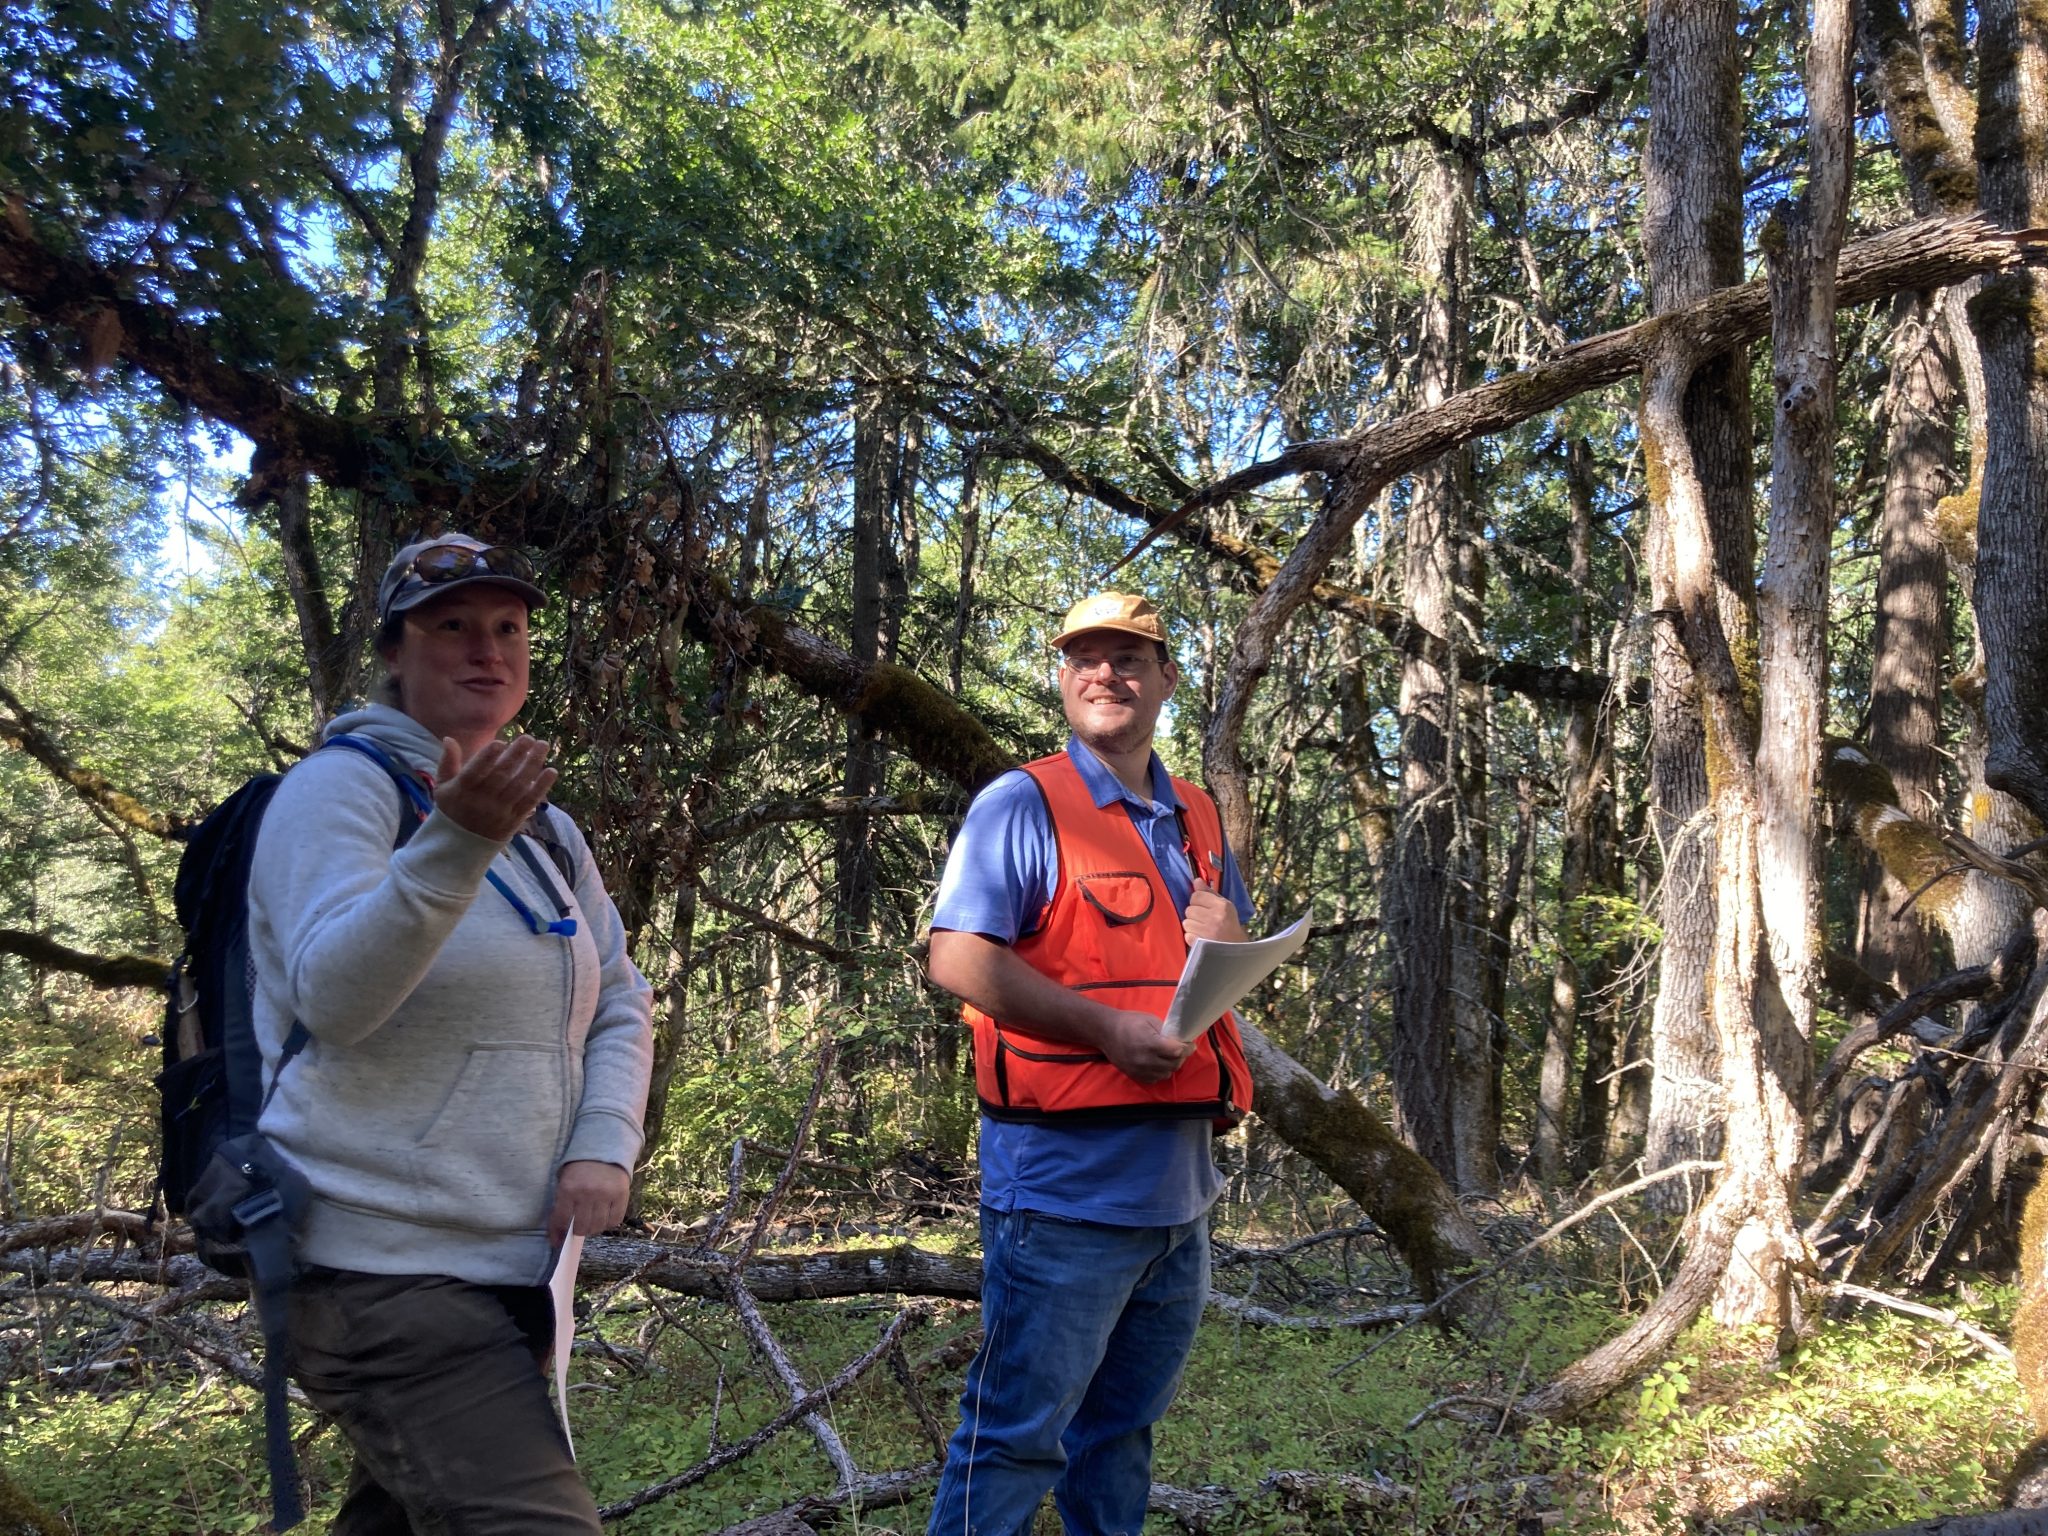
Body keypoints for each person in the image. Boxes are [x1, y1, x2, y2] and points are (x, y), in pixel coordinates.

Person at [246, 532, 654, 1534]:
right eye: (453, 626)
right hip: (378, 1268)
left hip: (514, 1269)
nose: (487, 650)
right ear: (393, 649)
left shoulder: (544, 824)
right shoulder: (337, 792)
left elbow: (618, 996)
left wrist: (604, 1140)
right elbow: (332, 1000)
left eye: (508, 628)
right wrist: (453, 846)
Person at [924, 591, 1257, 1536]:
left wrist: (1235, 940)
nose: (1106, 674)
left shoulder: (1195, 815)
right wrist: (1106, 1033)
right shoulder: (1023, 803)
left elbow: (1212, 972)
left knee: (1121, 1436)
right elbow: (956, 958)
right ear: (1063, 679)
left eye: (1130, 658)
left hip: (1179, 1196)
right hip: (1063, 1193)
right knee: (1016, 1437)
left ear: (1167, 680)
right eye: (1085, 659)